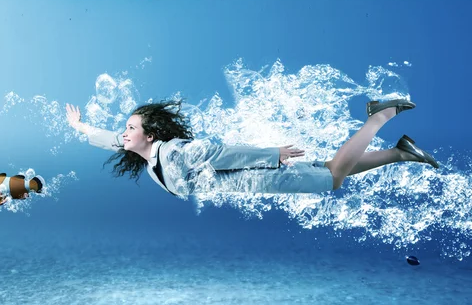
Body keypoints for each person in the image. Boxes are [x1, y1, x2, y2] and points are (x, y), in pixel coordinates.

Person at [65, 99, 439, 197]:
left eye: (131, 128)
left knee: (332, 178)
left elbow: (223, 152)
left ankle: (378, 117)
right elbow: (109, 139)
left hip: (262, 177)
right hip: (252, 185)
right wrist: (80, 126)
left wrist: (271, 154)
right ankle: (401, 152)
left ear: (149, 135)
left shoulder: (174, 152)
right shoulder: (146, 155)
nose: (123, 133)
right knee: (327, 168)